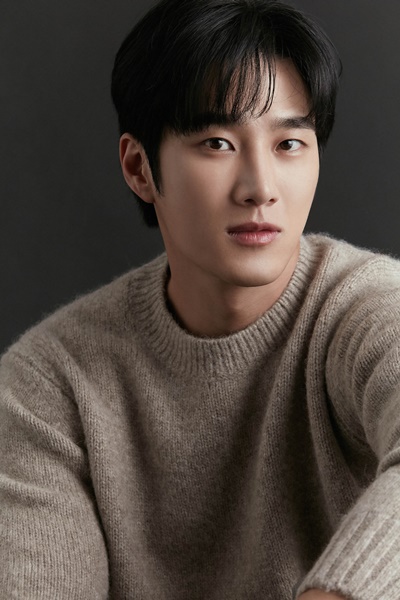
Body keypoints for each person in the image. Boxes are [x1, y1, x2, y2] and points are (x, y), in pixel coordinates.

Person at [1, 0, 400, 598]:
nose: (261, 188)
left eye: (290, 143)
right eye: (217, 142)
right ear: (139, 167)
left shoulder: (364, 308)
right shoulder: (49, 385)